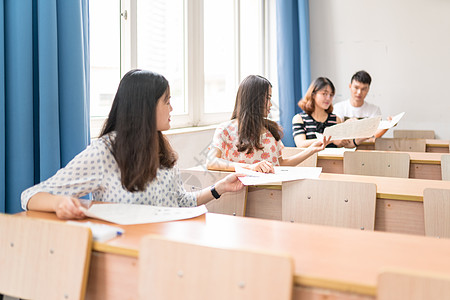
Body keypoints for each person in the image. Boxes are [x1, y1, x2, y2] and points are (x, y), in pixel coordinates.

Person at [21, 69, 244, 220]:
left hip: (165, 246)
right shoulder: (106, 152)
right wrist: (59, 203)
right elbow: (31, 196)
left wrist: (219, 188)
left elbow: (179, 202)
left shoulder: (160, 148)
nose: (172, 109)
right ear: (144, 108)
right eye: (167, 101)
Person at [206, 75, 329, 174]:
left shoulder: (270, 131)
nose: (270, 105)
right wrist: (250, 167)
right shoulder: (225, 129)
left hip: (272, 192)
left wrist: (311, 150)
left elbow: (280, 163)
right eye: (268, 98)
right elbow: (211, 162)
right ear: (253, 100)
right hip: (240, 195)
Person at [292, 77, 358, 148]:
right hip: (310, 159)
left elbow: (343, 144)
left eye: (331, 95)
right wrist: (331, 139)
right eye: (324, 94)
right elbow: (300, 144)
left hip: (332, 159)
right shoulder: (300, 118)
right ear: (313, 94)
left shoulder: (336, 120)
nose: (328, 98)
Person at [332, 70, 389, 138]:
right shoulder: (338, 107)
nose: (359, 92)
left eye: (363, 89)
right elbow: (336, 132)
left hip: (367, 147)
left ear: (368, 89)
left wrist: (388, 124)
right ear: (350, 86)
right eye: (356, 88)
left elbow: (374, 135)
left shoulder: (374, 110)